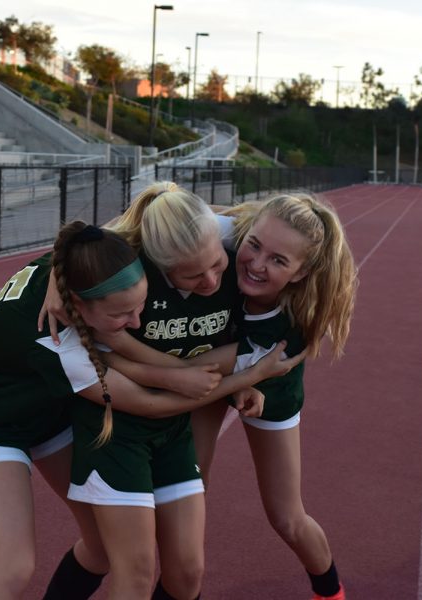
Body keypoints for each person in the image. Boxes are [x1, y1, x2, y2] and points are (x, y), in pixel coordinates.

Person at [0, 219, 295, 600]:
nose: (134, 323)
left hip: (52, 411)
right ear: (79, 307)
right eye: (121, 316)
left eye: (140, 308)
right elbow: (150, 404)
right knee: (13, 568)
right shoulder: (60, 345)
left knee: (101, 548)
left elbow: (85, 234)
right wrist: (248, 376)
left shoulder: (84, 260)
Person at [41, 182, 305, 600]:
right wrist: (53, 280)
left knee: (187, 573)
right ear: (159, 268)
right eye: (193, 275)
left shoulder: (234, 258)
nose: (213, 280)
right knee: (129, 569)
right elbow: (108, 353)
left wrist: (237, 388)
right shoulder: (128, 278)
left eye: (217, 265)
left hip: (174, 429)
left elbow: (231, 351)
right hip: (118, 430)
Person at [191, 193, 357, 600]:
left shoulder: (286, 333)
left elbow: (202, 371)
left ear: (301, 273)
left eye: (279, 261)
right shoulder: (225, 235)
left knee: (286, 516)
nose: (257, 264)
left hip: (267, 386)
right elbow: (133, 223)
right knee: (188, 494)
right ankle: (181, 584)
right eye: (255, 245)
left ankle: (330, 591)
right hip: (208, 370)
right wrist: (58, 276)